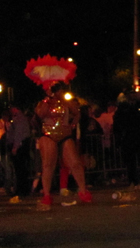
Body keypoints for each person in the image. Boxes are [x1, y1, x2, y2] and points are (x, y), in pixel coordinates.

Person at [33, 80, 92, 209]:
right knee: (48, 164)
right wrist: (48, 98)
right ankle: (47, 194)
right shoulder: (43, 103)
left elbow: (77, 112)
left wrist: (72, 124)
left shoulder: (65, 102)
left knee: (75, 163)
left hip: (65, 135)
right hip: (48, 135)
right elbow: (40, 114)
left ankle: (83, 190)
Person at [113, 94, 140, 188]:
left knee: (135, 160)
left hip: (132, 137)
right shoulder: (133, 109)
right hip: (136, 137)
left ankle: (136, 180)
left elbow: (117, 126)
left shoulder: (124, 110)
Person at [6, 105, 33, 198]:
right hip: (21, 145)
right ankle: (22, 189)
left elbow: (19, 133)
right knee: (21, 169)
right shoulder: (19, 118)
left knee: (20, 169)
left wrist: (15, 147)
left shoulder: (19, 118)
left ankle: (21, 189)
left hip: (20, 146)